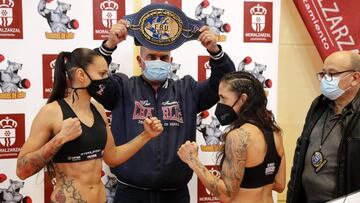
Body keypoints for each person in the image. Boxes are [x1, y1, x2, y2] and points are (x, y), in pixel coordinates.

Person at [91, 19, 235, 202]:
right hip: (131, 194)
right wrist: (109, 45)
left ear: (171, 61)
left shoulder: (187, 90)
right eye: (151, 57)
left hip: (175, 194)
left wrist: (215, 51)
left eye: (164, 58)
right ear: (140, 60)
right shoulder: (122, 88)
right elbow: (93, 78)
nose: (158, 62)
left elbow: (226, 83)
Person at [16, 48, 163, 203]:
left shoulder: (98, 109)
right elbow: (22, 171)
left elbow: (112, 157)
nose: (107, 80)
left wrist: (146, 135)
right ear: (81, 75)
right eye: (102, 74)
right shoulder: (51, 112)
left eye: (107, 74)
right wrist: (60, 138)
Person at [178, 71, 286, 203]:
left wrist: (193, 161)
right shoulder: (275, 132)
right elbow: (280, 185)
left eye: (224, 98)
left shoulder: (239, 136)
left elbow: (227, 194)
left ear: (243, 99)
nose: (221, 104)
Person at [287, 51, 360, 203]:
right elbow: (301, 151)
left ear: (355, 78)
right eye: (323, 73)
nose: (326, 79)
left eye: (332, 74)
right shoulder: (319, 105)